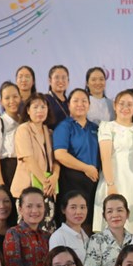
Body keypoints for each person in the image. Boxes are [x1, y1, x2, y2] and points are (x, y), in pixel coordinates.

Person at [96, 91, 133, 231]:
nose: (125, 108)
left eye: (129, 104)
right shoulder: (107, 126)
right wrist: (111, 184)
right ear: (115, 106)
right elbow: (105, 157)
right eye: (121, 104)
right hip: (113, 180)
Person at [53, 89, 100, 227]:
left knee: (90, 224)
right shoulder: (64, 126)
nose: (80, 104)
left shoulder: (95, 128)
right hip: (71, 181)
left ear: (89, 105)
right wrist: (86, 168)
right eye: (76, 101)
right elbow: (60, 154)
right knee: (72, 223)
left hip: (93, 182)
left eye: (84, 101)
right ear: (69, 105)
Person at [4, 187, 52, 266]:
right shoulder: (14, 233)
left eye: (39, 206)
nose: (34, 211)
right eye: (29, 206)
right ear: (20, 209)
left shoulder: (47, 236)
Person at [11, 93, 58, 200]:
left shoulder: (50, 133)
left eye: (43, 107)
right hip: (28, 187)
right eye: (35, 107)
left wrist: (55, 176)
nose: (40, 110)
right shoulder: (23, 129)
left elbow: (57, 159)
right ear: (28, 110)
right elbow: (28, 159)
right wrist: (45, 183)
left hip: (48, 190)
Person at [85, 194, 131, 266]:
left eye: (120, 210)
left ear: (127, 213)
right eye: (110, 211)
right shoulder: (97, 239)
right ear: (104, 216)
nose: (115, 215)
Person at [0, 82, 21, 190]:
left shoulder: (25, 123)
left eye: (15, 96)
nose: (12, 101)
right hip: (6, 172)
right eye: (7, 98)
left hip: (23, 172)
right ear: (1, 101)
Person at [48, 191, 90, 261]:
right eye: (73, 207)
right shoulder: (58, 237)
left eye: (82, 207)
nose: (78, 212)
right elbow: (57, 264)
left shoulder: (86, 236)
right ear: (63, 210)